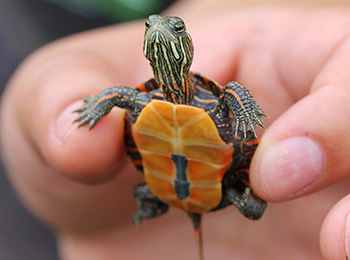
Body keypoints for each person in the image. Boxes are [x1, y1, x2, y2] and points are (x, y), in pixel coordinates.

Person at [1, 1, 350, 259]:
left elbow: (234, 92)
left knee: (252, 205)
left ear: (186, 45)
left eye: (175, 29)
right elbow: (118, 95)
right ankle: (148, 207)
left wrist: (245, 115)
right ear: (148, 44)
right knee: (143, 191)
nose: (159, 28)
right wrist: (94, 106)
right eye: (151, 26)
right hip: (157, 186)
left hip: (219, 183)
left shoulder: (215, 98)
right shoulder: (141, 99)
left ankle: (151, 204)